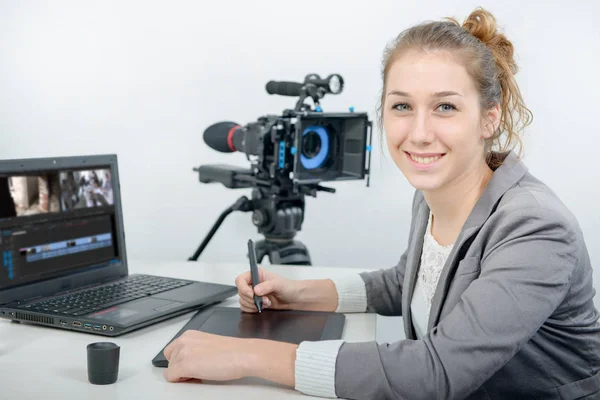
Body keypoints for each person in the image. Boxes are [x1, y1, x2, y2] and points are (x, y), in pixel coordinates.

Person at [161, 7, 600, 399]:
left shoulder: (536, 227)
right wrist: (301, 293)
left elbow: (436, 372)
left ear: (489, 117)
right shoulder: (436, 190)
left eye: (445, 107)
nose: (420, 133)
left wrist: (248, 357)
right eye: (402, 106)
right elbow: (405, 283)